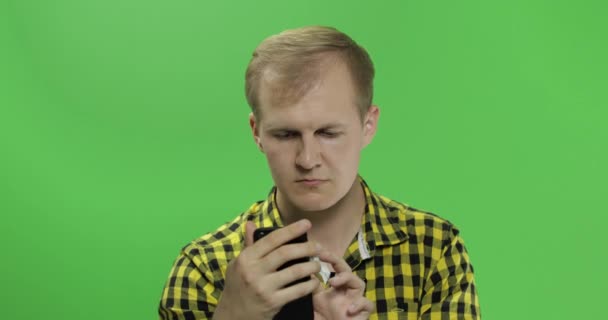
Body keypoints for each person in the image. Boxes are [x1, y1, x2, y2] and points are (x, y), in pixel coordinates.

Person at [158, 26, 480, 320]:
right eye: (285, 135)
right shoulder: (203, 267)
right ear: (257, 132)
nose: (308, 159)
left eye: (328, 133)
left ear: (368, 126)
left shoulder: (433, 249)